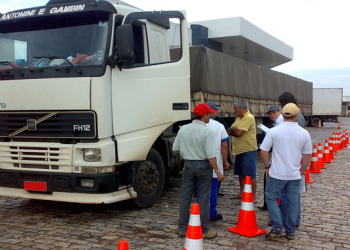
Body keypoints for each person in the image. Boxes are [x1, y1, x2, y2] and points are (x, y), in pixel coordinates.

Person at [260, 103, 312, 240]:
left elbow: (263, 150)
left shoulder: (274, 131)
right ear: (296, 116)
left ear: (283, 114)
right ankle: (290, 231)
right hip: (294, 174)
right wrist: (302, 171)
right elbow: (307, 154)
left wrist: (267, 167)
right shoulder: (304, 133)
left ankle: (277, 227)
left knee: (270, 197)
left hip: (277, 173)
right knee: (293, 202)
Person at [173, 103, 225, 239]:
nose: (211, 115)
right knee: (203, 198)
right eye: (210, 113)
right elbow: (211, 155)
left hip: (188, 165)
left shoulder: (183, 129)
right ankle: (205, 229)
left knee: (186, 197)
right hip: (204, 166)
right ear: (205, 115)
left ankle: (182, 228)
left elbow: (175, 148)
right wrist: (218, 172)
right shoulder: (207, 131)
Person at [278, 92, 305, 229]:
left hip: (288, 159)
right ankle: (296, 220)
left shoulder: (289, 118)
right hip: (298, 158)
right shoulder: (299, 115)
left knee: (285, 194)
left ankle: (286, 221)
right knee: (296, 195)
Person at [227, 99, 258, 201]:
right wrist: (233, 130)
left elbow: (238, 132)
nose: (234, 111)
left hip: (248, 149)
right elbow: (229, 130)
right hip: (239, 150)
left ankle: (252, 196)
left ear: (240, 108)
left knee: (250, 174)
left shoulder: (249, 117)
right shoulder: (239, 118)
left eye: (235, 109)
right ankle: (241, 192)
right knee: (240, 173)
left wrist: (234, 130)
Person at [205, 102, 230, 221]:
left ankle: (201, 213)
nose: (218, 113)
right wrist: (225, 161)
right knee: (213, 188)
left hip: (199, 162)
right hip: (215, 161)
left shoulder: (195, 125)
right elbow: (224, 145)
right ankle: (212, 213)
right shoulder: (218, 126)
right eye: (217, 110)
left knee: (201, 189)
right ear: (212, 111)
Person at [258, 105, 282, 211]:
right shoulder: (277, 123)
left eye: (274, 113)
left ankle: (271, 205)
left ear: (280, 112)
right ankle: (267, 204)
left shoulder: (280, 123)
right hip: (277, 158)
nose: (272, 115)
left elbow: (263, 151)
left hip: (278, 160)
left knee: (270, 182)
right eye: (270, 114)